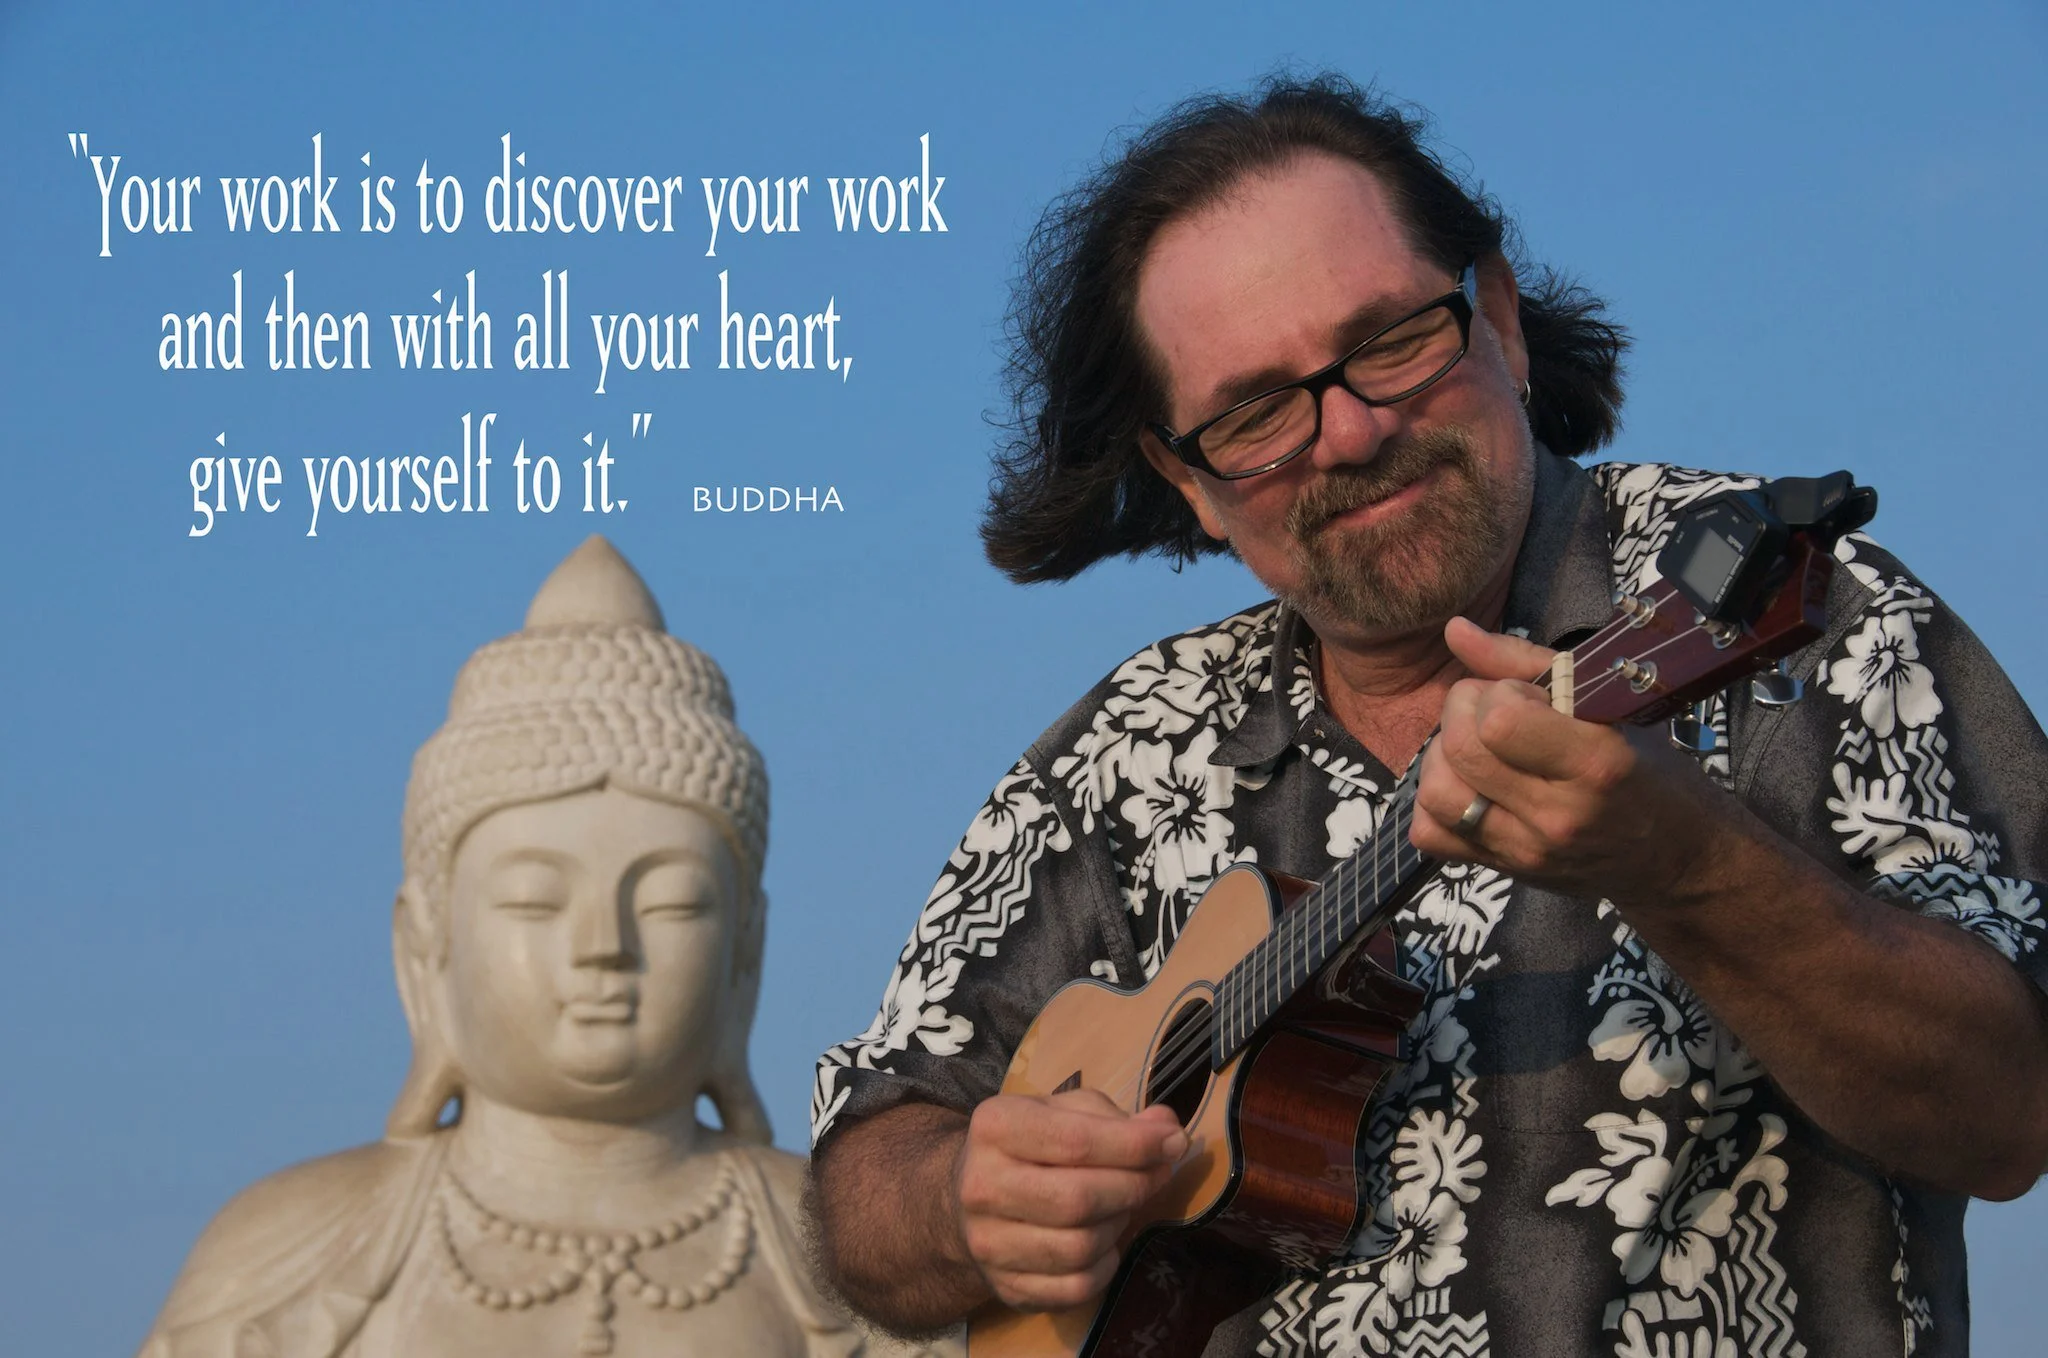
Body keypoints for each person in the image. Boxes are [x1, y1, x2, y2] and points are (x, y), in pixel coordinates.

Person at [806, 76, 2048, 1357]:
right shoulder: (1122, 747)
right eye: (1251, 412)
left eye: (1390, 340)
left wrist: (1687, 861)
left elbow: (2008, 1110)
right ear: (1187, 481)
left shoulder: (1792, 612)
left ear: (1497, 321)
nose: (1345, 431)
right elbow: (867, 1174)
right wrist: (964, 1202)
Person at [140, 537, 921, 1358]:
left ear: (745, 955)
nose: (602, 948)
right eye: (534, 899)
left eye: (669, 902)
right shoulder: (280, 1254)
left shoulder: (850, 1258)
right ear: (424, 949)